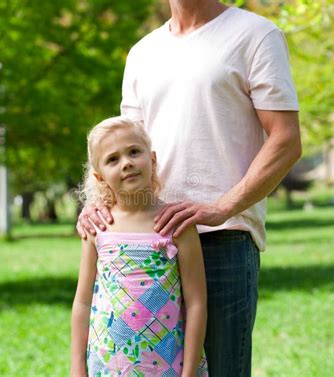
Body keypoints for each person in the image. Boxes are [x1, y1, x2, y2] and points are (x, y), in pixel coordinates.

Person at [77, 1, 302, 375]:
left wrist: (221, 207)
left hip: (222, 240)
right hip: (143, 249)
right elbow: (123, 147)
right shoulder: (142, 53)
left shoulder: (255, 35)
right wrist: (96, 204)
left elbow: (286, 141)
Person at [70, 117, 209, 376]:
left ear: (152, 159)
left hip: (167, 365)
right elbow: (83, 302)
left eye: (134, 152)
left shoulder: (177, 224)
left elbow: (197, 303)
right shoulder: (97, 228)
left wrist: (189, 372)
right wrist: (77, 366)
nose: (127, 163)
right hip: (108, 366)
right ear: (100, 177)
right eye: (113, 159)